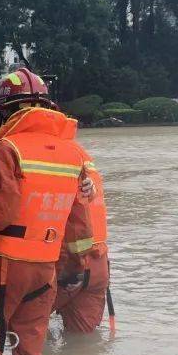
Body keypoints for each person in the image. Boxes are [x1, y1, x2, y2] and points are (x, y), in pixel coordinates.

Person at [0, 68, 93, 355]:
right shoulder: (74, 153)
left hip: (5, 265)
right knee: (30, 347)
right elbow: (80, 223)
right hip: (47, 268)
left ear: (6, 110)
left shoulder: (6, 149)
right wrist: (75, 266)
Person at [54, 120, 111, 333]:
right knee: (83, 342)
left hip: (67, 265)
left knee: (28, 331)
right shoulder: (83, 156)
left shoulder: (52, 158)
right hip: (98, 263)